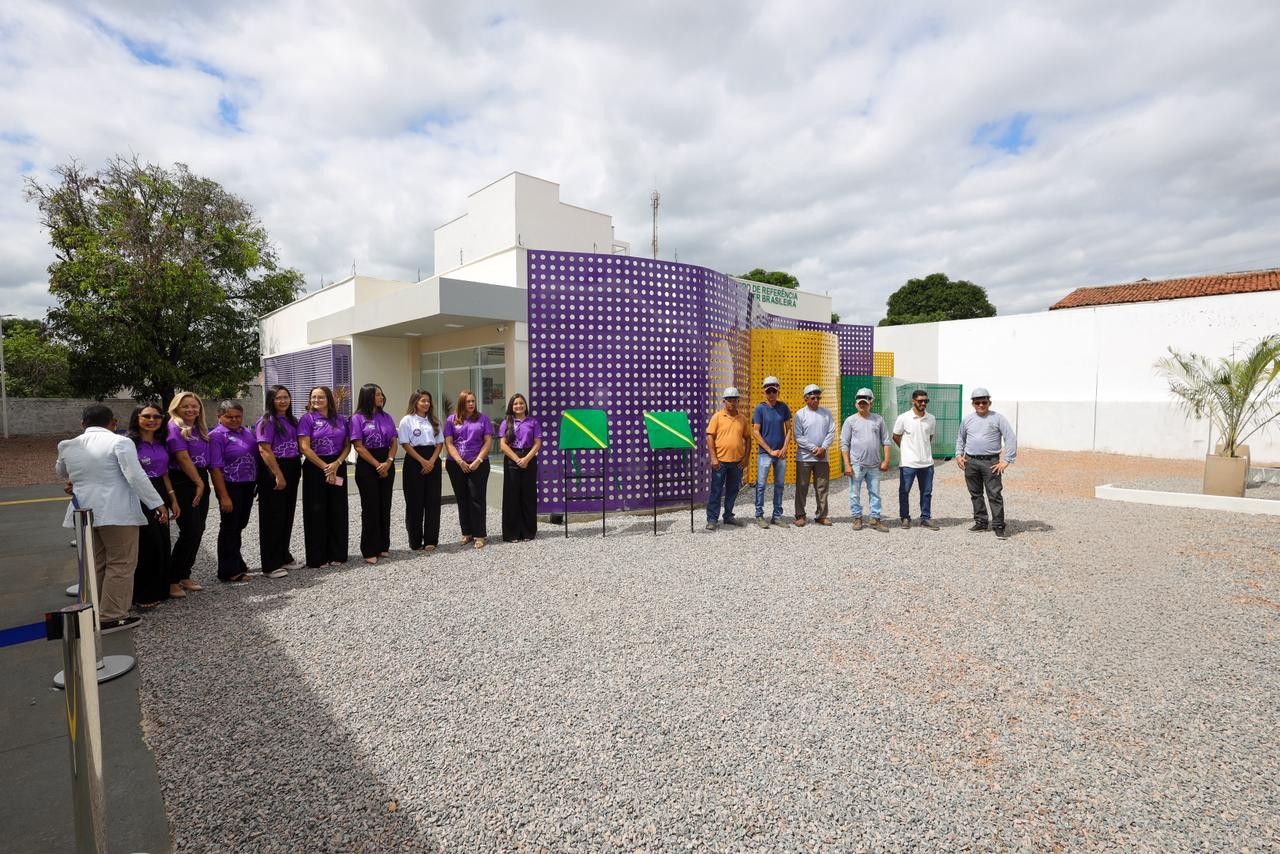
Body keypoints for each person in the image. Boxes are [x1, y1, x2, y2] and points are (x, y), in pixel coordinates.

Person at [56, 404, 168, 633]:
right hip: (116, 511)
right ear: (113, 422)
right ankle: (113, 615)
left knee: (98, 562)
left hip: (83, 511)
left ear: (82, 423)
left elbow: (62, 472)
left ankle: (96, 609)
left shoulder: (67, 445)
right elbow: (135, 475)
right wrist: (156, 503)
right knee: (121, 562)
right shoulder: (120, 442)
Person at [128, 404, 182, 608]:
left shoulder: (161, 442)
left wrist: (173, 499)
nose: (152, 420)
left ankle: (160, 588)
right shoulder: (129, 444)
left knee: (162, 541)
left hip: (160, 491)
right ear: (137, 417)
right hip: (139, 495)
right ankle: (142, 594)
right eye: (147, 416)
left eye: (157, 416)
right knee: (147, 543)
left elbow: (164, 473)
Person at [298, 386, 351, 567]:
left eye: (320, 397)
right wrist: (325, 468)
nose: (316, 400)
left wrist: (336, 464)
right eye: (313, 397)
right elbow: (304, 447)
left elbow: (347, 446)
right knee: (316, 512)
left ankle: (338, 554)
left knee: (338, 510)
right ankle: (317, 557)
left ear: (328, 399)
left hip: (338, 465)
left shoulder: (341, 420)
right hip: (315, 467)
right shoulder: (307, 419)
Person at [955, 387, 1018, 539]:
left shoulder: (998, 418)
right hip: (971, 461)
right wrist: (958, 455)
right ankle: (981, 522)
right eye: (978, 402)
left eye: (984, 402)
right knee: (975, 494)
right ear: (973, 404)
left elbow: (1010, 438)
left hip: (991, 462)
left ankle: (998, 525)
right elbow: (961, 438)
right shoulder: (968, 420)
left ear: (989, 402)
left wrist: (1007, 460)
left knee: (994, 494)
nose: (981, 405)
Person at [166, 391, 211, 598]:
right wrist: (198, 482)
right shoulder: (174, 427)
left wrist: (202, 481)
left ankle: (185, 574)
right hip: (184, 480)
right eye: (186, 406)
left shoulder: (198, 428)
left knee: (199, 528)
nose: (191, 409)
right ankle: (172, 579)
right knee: (189, 530)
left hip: (199, 476)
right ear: (176, 408)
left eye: (195, 406)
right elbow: (182, 457)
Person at [209, 401, 258, 583]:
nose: (234, 420)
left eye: (238, 416)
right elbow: (214, 468)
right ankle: (228, 571)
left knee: (239, 525)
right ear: (219, 417)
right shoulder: (216, 436)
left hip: (247, 485)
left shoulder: (246, 432)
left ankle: (237, 560)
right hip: (230, 486)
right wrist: (223, 496)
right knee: (229, 527)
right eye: (229, 417)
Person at [255, 385, 302, 576]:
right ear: (271, 400)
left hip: (292, 466)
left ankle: (284, 555)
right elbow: (264, 450)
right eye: (278, 398)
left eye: (286, 397)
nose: (283, 401)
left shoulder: (291, 420)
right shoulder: (266, 421)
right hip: (274, 469)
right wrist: (278, 474)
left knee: (286, 514)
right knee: (272, 518)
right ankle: (270, 564)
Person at [350, 383, 399, 565]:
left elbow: (394, 442)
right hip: (367, 465)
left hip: (386, 462)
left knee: (384, 505)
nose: (381, 397)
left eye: (381, 394)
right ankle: (369, 549)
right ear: (368, 396)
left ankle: (382, 545)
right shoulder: (357, 418)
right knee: (370, 508)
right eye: (378, 394)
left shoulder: (386, 417)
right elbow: (358, 446)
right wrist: (377, 464)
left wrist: (389, 462)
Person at [444, 389, 494, 549]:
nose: (471, 404)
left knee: (477, 499)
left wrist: (478, 460)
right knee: (462, 499)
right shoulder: (452, 420)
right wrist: (459, 461)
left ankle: (480, 535)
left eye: (473, 401)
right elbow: (449, 443)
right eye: (468, 401)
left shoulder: (483, 419)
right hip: (456, 465)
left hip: (478, 464)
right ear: (461, 403)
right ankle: (467, 533)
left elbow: (487, 441)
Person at [840, 387, 891, 532]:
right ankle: (857, 518)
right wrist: (847, 465)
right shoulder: (850, 421)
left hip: (874, 465)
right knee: (854, 493)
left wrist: (886, 461)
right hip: (857, 465)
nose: (862, 404)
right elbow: (844, 443)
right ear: (856, 403)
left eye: (865, 402)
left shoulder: (878, 420)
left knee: (875, 493)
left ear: (871, 402)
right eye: (860, 402)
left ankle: (875, 518)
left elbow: (886, 441)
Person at [399, 389, 443, 552]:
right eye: (422, 400)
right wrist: (422, 461)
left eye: (428, 401)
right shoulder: (407, 420)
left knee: (432, 502)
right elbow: (405, 443)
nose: (426, 403)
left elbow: (439, 443)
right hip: (414, 461)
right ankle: (415, 541)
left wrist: (431, 461)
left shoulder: (435, 421)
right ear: (415, 402)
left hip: (433, 459)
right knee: (414, 503)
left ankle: (431, 540)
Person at [499, 392, 543, 542]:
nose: (519, 406)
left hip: (529, 459)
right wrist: (518, 459)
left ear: (525, 405)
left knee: (528, 496)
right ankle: (512, 533)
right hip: (512, 459)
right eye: (515, 404)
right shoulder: (507, 423)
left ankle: (528, 532)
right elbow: (503, 445)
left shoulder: (533, 422)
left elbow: (537, 443)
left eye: (521, 403)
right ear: (512, 406)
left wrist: (526, 459)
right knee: (512, 497)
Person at [893, 389, 938, 530]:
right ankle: (905, 517)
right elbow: (896, 435)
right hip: (908, 463)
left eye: (926, 401)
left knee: (926, 492)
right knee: (904, 491)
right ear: (913, 401)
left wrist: (921, 449)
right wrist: (906, 449)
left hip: (927, 462)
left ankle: (925, 517)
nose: (923, 403)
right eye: (920, 401)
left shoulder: (931, 418)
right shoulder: (903, 418)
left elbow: (929, 437)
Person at [705, 387, 749, 531]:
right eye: (729, 400)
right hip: (720, 462)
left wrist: (745, 458)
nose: (732, 403)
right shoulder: (717, 417)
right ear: (724, 401)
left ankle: (728, 515)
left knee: (732, 490)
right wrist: (713, 458)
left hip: (737, 463)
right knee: (716, 490)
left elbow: (748, 439)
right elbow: (710, 437)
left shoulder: (742, 419)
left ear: (738, 401)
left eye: (734, 400)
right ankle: (712, 519)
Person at [792, 383, 835, 526]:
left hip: (822, 458)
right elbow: (798, 436)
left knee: (822, 487)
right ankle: (800, 515)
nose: (816, 400)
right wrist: (815, 449)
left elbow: (831, 432)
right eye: (813, 397)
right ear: (806, 399)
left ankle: (821, 515)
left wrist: (823, 448)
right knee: (802, 486)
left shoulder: (826, 413)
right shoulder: (799, 414)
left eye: (818, 397)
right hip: (804, 458)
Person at [751, 375, 792, 528]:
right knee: (761, 485)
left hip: (780, 454)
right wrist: (769, 450)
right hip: (765, 454)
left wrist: (784, 448)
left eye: (774, 391)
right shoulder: (760, 409)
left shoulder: (784, 408)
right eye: (769, 392)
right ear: (764, 392)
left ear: (778, 391)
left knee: (779, 485)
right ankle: (759, 516)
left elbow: (789, 429)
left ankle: (777, 516)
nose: (772, 394)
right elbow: (756, 432)